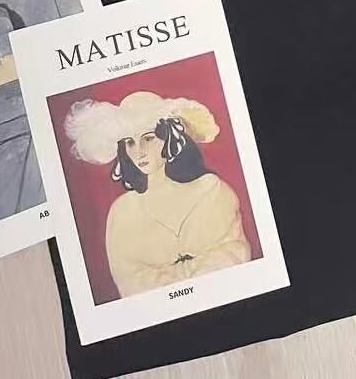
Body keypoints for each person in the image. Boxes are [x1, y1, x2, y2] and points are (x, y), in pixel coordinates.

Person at [64, 90, 252, 298]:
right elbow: (130, 283)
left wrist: (173, 276)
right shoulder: (122, 212)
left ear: (169, 137)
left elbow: (235, 254)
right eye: (129, 142)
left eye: (148, 138)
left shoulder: (212, 190)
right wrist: (193, 271)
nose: (139, 151)